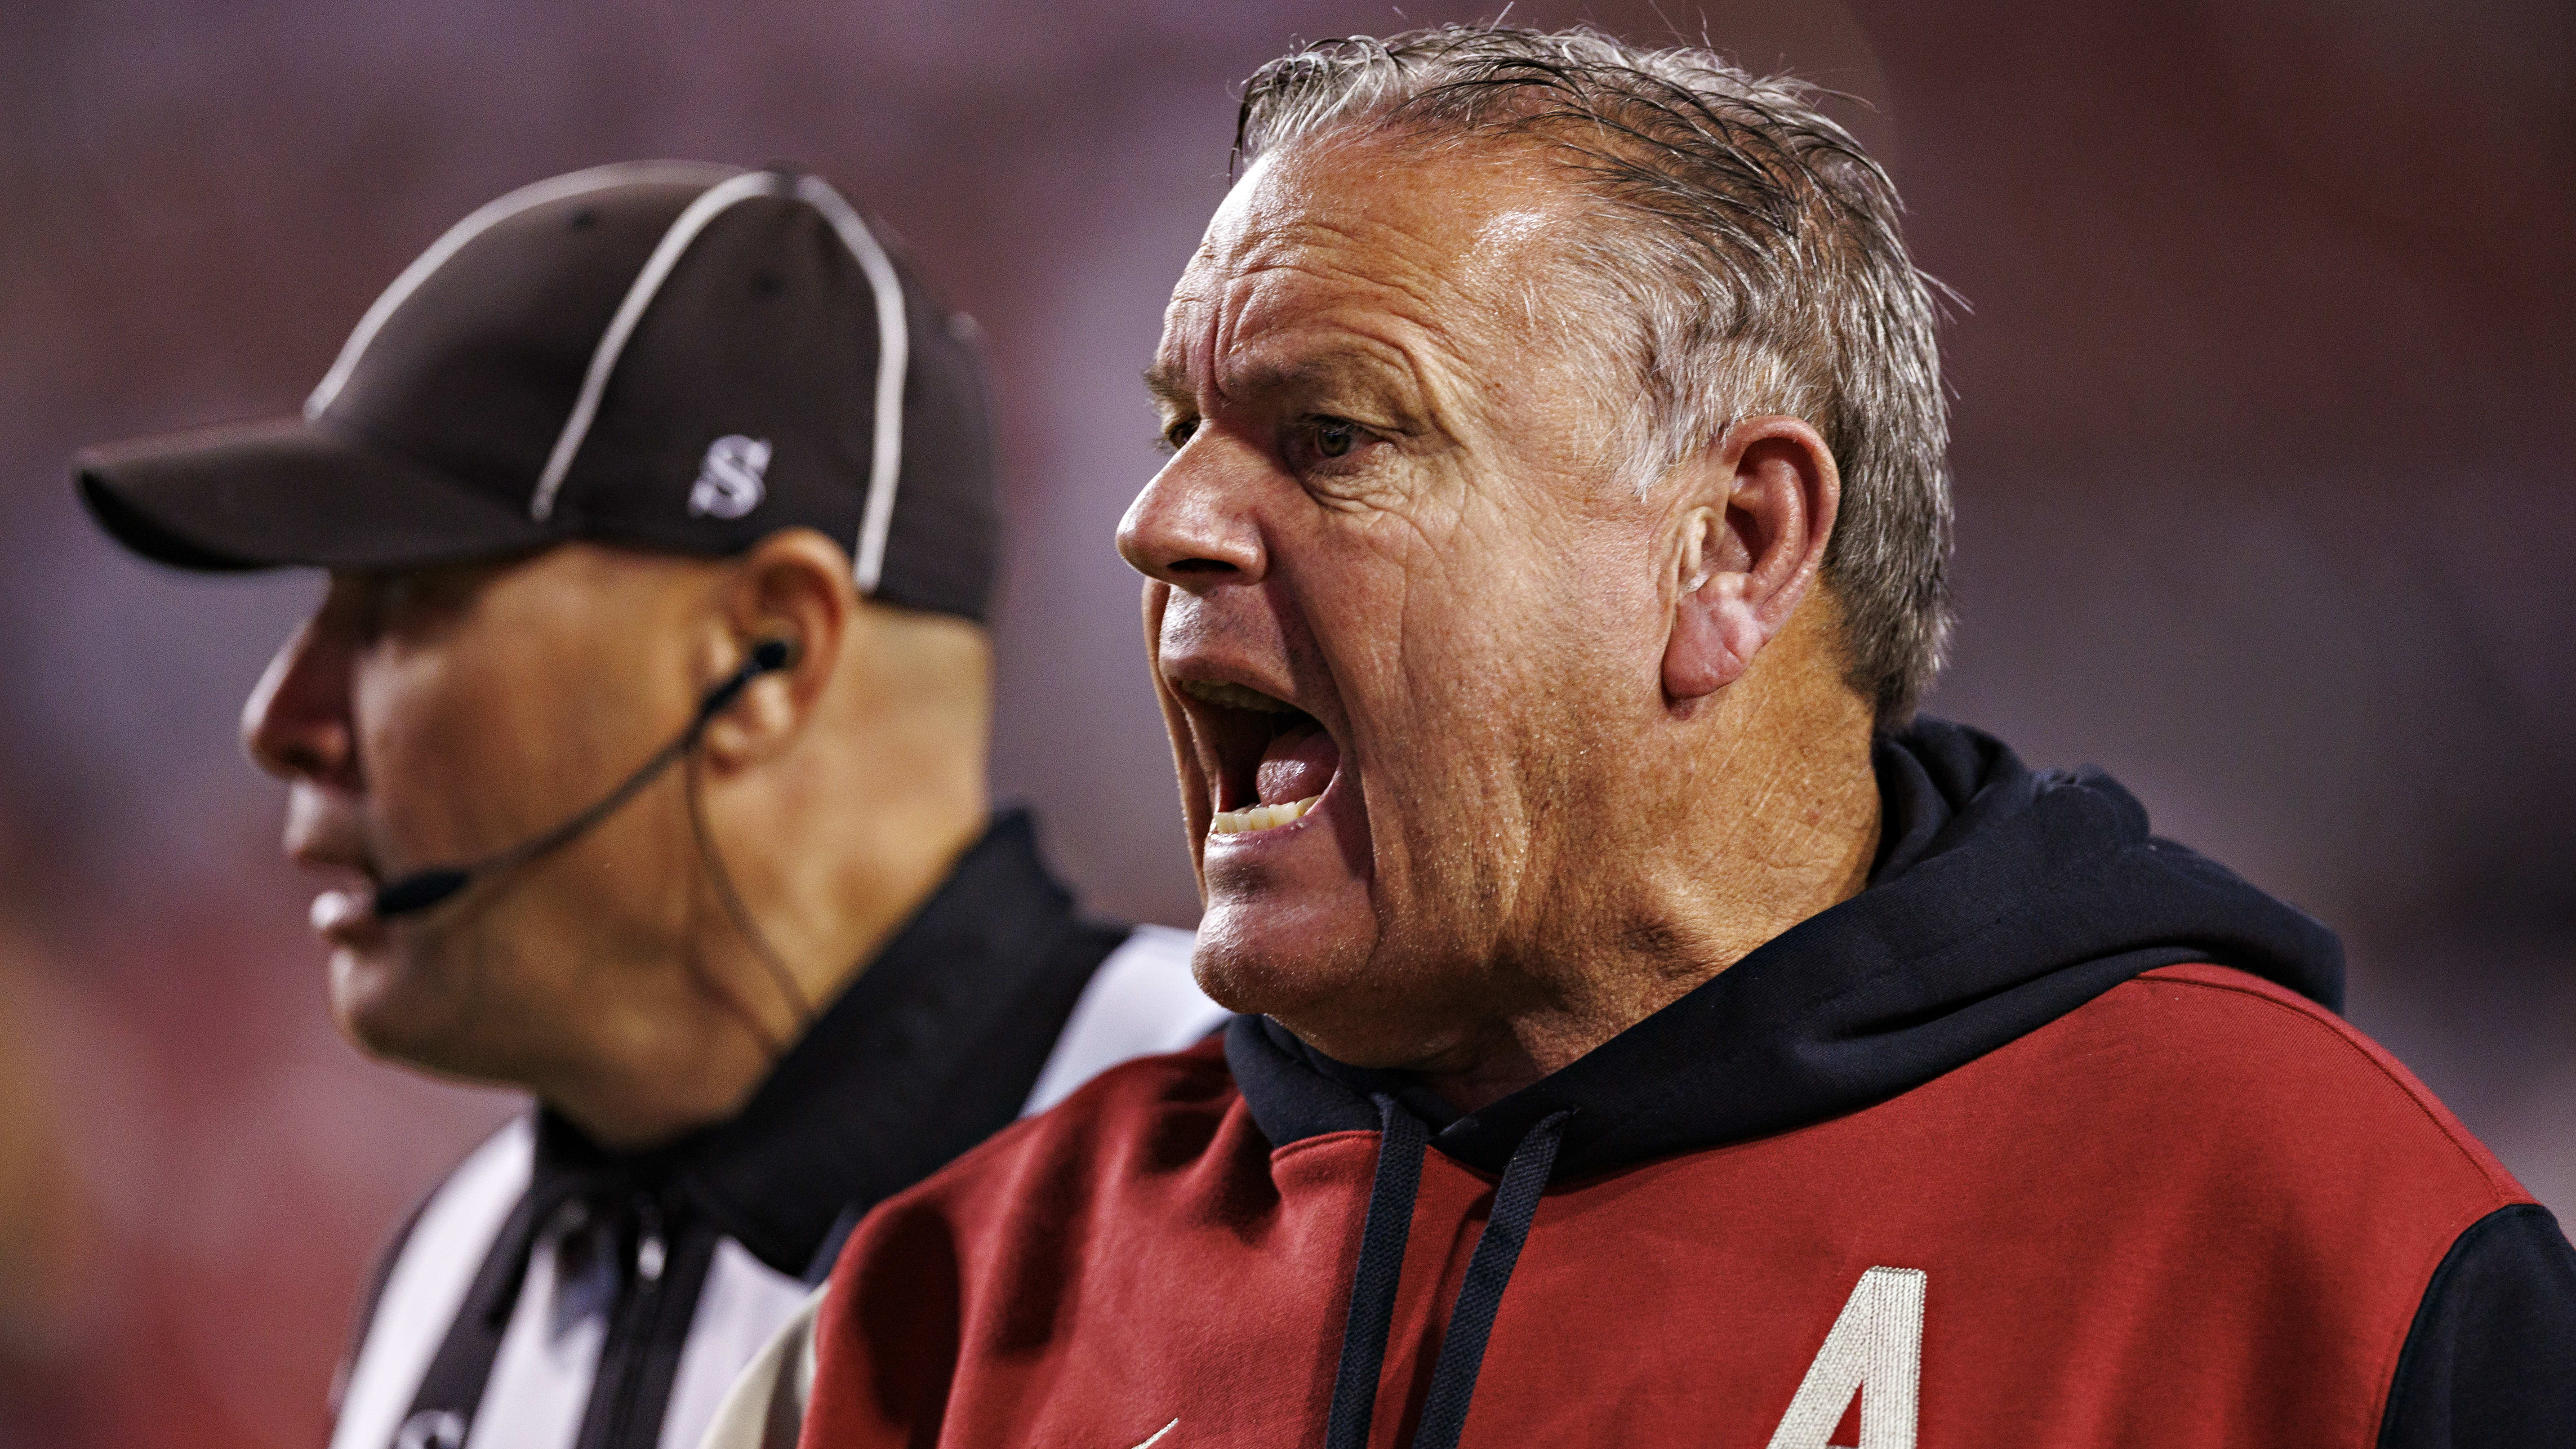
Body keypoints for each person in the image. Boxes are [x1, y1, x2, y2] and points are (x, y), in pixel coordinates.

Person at [788, 27, 2576, 1448]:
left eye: (1329, 435)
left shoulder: (2297, 1238)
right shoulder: (966, 1296)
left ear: (1727, 546)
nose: (1155, 517)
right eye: (1179, 423)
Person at [71, 161, 1222, 1449]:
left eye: (400, 610)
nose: (281, 720)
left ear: (768, 657)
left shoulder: (1250, 1152)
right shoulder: (457, 1258)